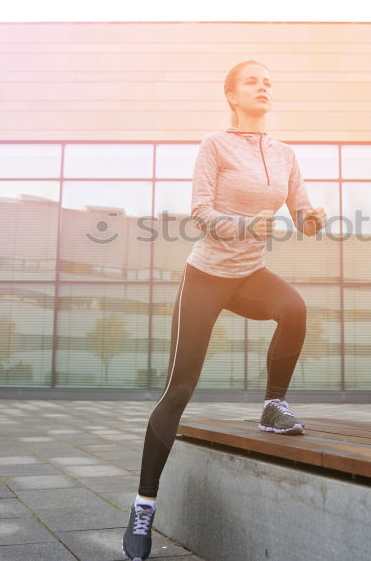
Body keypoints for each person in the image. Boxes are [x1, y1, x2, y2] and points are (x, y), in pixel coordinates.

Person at [123, 61, 327, 560]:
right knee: (181, 389)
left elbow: (301, 213)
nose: (264, 86)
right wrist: (245, 225)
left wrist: (312, 219)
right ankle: (143, 505)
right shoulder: (215, 144)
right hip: (207, 277)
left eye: (269, 81)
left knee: (294, 309)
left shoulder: (284, 154)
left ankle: (273, 406)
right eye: (253, 81)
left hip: (249, 276)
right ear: (232, 96)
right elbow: (201, 212)